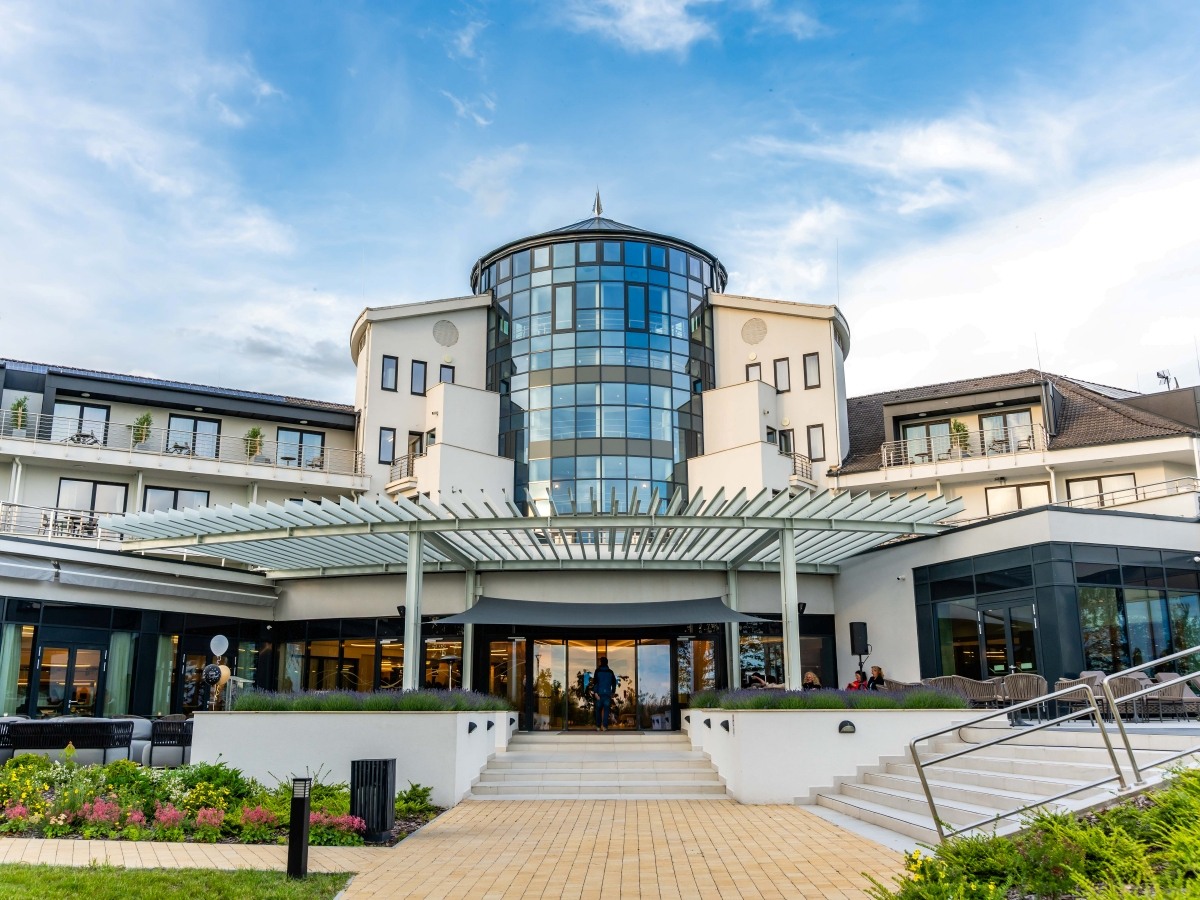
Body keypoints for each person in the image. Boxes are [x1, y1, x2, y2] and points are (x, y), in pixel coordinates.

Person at [593, 656, 618, 731]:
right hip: (607, 694)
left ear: (601, 662)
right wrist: (613, 692)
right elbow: (614, 683)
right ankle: (604, 726)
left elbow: (595, 683)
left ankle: (598, 726)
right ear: (607, 663)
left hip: (599, 694)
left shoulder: (597, 671)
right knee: (606, 710)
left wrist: (595, 693)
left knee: (598, 710)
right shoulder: (610, 672)